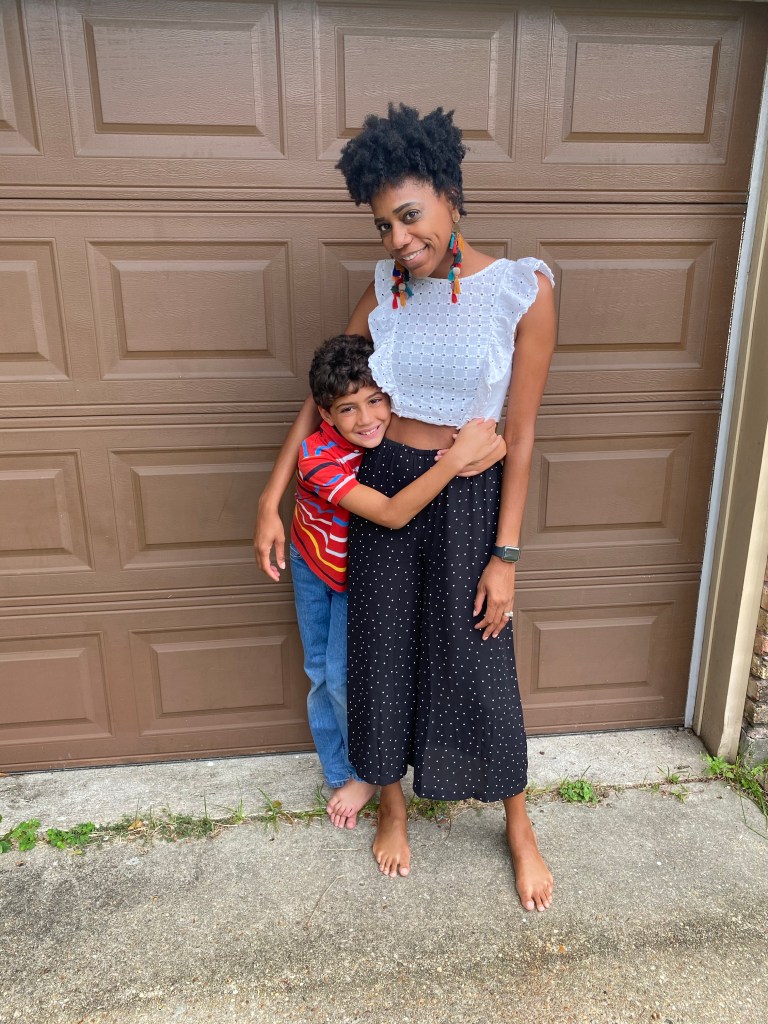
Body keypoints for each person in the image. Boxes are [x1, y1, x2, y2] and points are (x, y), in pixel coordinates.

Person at [255, 104, 557, 913]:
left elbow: (520, 437)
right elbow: (326, 395)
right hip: (383, 487)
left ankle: (519, 826)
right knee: (381, 657)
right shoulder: (384, 290)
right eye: (384, 223)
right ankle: (394, 808)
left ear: (452, 195)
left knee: (482, 665)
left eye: (410, 216)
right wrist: (271, 497)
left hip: (467, 499)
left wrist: (507, 556)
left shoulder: (518, 292)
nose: (397, 239)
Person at [288, 333, 504, 831]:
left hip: (354, 574)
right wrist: (455, 460)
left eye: (375, 401)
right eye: (348, 409)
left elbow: (485, 447)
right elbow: (389, 512)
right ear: (326, 416)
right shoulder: (317, 457)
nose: (366, 420)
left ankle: (363, 772)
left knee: (343, 674)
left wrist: (488, 449)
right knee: (319, 671)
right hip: (314, 563)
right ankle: (340, 769)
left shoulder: (390, 443)